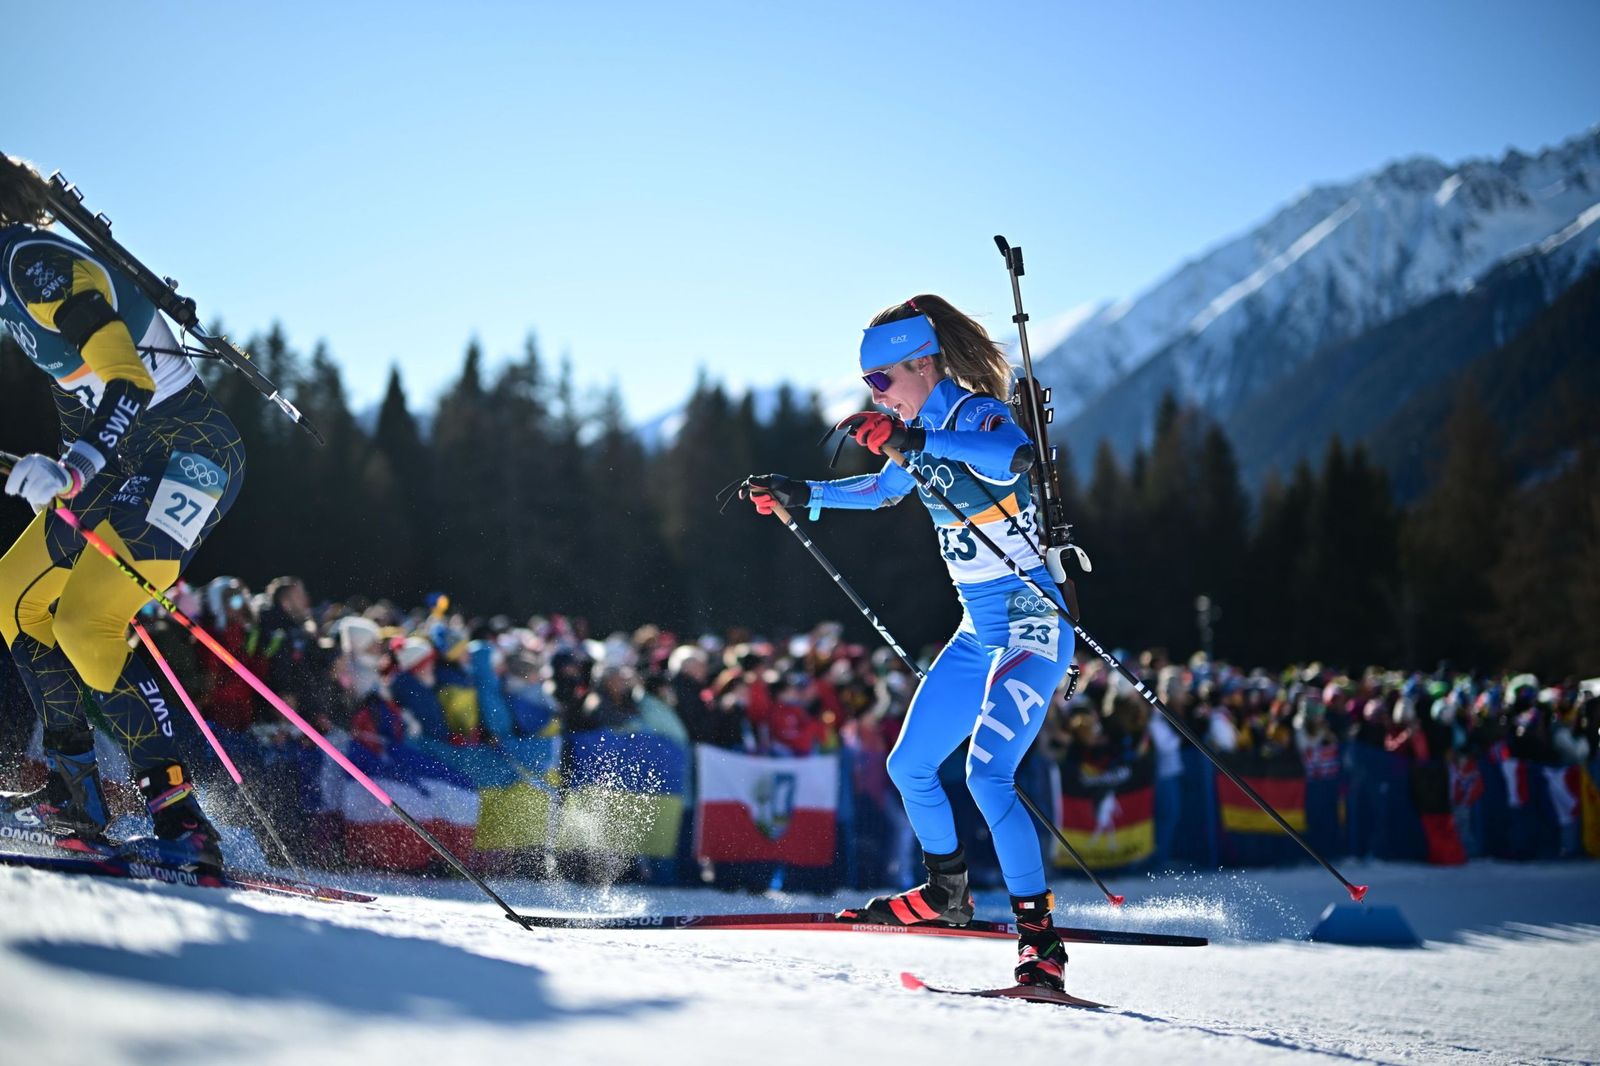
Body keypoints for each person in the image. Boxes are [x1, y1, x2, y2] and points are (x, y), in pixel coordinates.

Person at [739, 295, 1076, 991]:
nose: (878, 397)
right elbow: (882, 489)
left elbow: (1013, 456)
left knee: (987, 775)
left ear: (924, 363)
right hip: (978, 631)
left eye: (884, 381)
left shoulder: (973, 414)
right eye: (870, 386)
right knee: (911, 765)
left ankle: (1039, 940)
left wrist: (915, 442)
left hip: (1033, 623)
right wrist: (801, 493)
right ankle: (946, 891)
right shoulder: (913, 428)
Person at [0, 155, 243, 871]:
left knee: (85, 619)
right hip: (122, 456)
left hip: (188, 452)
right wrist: (71, 465)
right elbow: (83, 394)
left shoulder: (30, 264)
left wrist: (73, 469)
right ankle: (75, 793)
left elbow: (128, 377)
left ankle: (180, 816)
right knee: (12, 598)